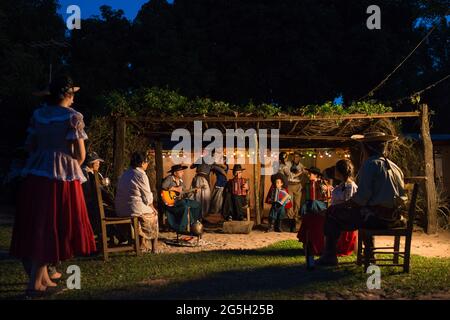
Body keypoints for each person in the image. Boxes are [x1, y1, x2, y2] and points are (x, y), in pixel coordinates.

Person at [10, 75, 96, 297]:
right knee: (52, 223)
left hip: (36, 171)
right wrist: (69, 167)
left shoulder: (38, 115)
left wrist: (43, 157)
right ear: (67, 95)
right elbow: (80, 154)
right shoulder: (73, 117)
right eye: (73, 94)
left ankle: (45, 278)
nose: (74, 98)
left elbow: (30, 146)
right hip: (60, 177)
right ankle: (35, 284)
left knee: (38, 221)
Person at [316, 132, 407, 266]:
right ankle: (369, 255)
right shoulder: (395, 167)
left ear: (367, 148)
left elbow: (361, 199)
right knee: (364, 212)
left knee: (332, 213)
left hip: (377, 219)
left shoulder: (370, 164)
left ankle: (330, 256)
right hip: (395, 218)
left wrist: (341, 206)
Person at [115, 152, 159, 253]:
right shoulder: (141, 175)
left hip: (120, 209)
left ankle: (141, 244)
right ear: (142, 163)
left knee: (144, 210)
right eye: (147, 162)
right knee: (154, 214)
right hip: (133, 208)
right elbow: (148, 197)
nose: (147, 164)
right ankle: (154, 248)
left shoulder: (124, 174)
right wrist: (152, 207)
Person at [162, 164, 202, 233]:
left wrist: (193, 192)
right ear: (175, 173)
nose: (183, 173)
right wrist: (175, 188)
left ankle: (194, 223)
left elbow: (185, 194)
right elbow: (163, 186)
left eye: (182, 171)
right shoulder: (170, 178)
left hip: (180, 201)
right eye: (180, 171)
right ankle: (181, 228)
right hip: (172, 202)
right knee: (184, 204)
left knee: (197, 204)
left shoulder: (181, 181)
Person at [81, 152, 114, 235]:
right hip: (90, 207)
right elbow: (98, 192)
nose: (99, 163)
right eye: (97, 161)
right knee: (112, 212)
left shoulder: (95, 173)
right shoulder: (87, 174)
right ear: (91, 163)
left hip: (93, 205)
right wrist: (112, 202)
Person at [280, 151, 305, 232]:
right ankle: (291, 223)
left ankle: (294, 220)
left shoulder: (301, 166)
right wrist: (301, 172)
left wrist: (305, 172)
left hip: (297, 185)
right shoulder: (287, 164)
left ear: (300, 157)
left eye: (297, 157)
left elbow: (305, 175)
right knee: (289, 204)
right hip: (290, 185)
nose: (295, 158)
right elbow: (290, 174)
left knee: (297, 204)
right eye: (294, 156)